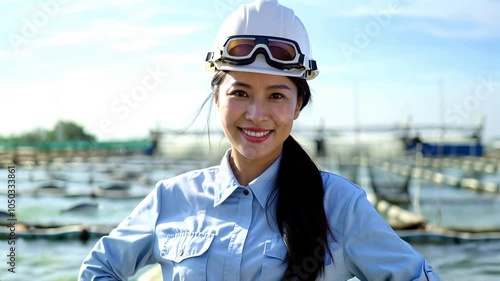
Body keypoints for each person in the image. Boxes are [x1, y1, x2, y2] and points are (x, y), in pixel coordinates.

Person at [79, 0, 441, 280]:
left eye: (277, 96)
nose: (256, 114)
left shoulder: (341, 207)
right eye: (240, 92)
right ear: (217, 97)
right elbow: (98, 268)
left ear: (299, 105)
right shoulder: (171, 199)